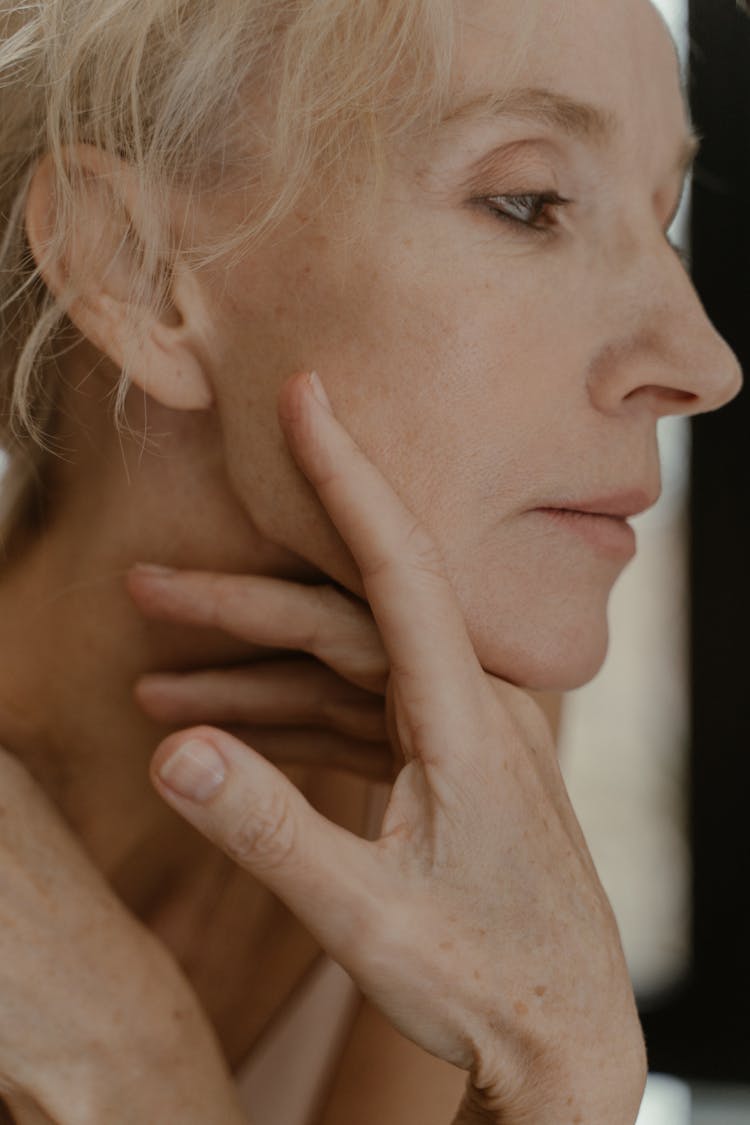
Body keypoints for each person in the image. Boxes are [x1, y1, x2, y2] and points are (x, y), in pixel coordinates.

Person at [0, 0, 741, 1121]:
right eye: (528, 204)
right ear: (138, 270)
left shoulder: (450, 751)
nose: (703, 362)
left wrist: (567, 1069)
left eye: (665, 220)